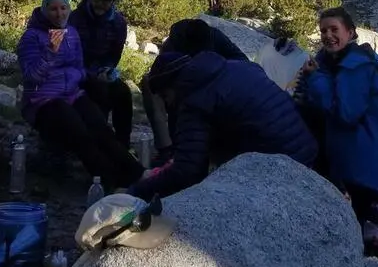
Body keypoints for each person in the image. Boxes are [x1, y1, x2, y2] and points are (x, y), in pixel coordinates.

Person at [128, 49, 317, 201]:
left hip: (280, 169)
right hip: (307, 151)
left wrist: (136, 192)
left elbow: (187, 171)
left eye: (164, 97)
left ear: (169, 87)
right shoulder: (236, 66)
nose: (167, 105)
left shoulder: (193, 98)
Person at [17, 0, 144, 190]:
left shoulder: (72, 33)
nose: (59, 14)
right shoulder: (32, 37)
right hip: (43, 100)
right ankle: (108, 179)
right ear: (44, 9)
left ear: (68, 8)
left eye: (63, 8)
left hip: (72, 94)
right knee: (79, 131)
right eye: (53, 9)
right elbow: (31, 77)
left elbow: (78, 67)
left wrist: (102, 75)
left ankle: (137, 173)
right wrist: (50, 52)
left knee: (100, 127)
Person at [299, 7, 378, 227]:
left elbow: (346, 114)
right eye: (323, 31)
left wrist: (315, 78)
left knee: (372, 232)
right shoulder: (338, 62)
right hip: (370, 162)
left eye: (334, 29)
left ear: (350, 32)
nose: (328, 35)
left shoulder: (355, 67)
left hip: (370, 168)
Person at [141, 18, 249, 164]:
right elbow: (160, 75)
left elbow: (242, 61)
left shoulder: (214, 37)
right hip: (181, 87)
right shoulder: (173, 45)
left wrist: (219, 69)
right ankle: (168, 149)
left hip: (215, 84)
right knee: (168, 95)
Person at [69, 0, 133, 147]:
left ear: (113, 1)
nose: (101, 3)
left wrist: (107, 71)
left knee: (123, 92)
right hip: (77, 71)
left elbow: (114, 55)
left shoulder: (119, 23)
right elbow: (69, 53)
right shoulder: (75, 18)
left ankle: (122, 144)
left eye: (106, 0)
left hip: (100, 70)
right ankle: (97, 141)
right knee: (99, 91)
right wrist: (89, 74)